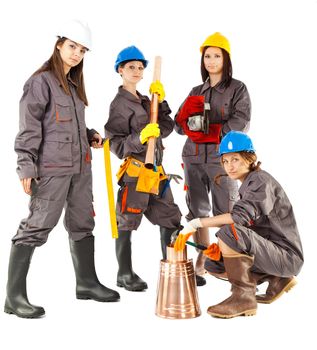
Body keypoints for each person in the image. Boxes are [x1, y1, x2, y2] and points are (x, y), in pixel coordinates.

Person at [4, 20, 120, 319]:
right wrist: (25, 167)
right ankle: (14, 297)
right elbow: (29, 129)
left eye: (82, 50)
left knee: (83, 223)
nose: (76, 54)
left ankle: (87, 283)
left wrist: (90, 134)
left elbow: (68, 125)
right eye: (72, 46)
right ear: (59, 44)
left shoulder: (72, 84)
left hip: (80, 168)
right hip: (52, 168)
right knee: (37, 226)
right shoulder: (40, 82)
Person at [174, 131, 304, 318]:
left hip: (286, 256)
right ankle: (277, 279)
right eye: (225, 161)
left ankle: (243, 298)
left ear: (249, 158)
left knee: (229, 232)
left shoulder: (260, 181)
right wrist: (222, 251)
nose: (229, 166)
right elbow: (248, 229)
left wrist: (196, 223)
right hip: (273, 253)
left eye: (235, 159)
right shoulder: (248, 184)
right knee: (215, 264)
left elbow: (238, 219)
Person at [174, 32, 251, 286]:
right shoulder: (196, 90)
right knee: (197, 209)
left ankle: (228, 259)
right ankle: (204, 258)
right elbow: (178, 124)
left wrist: (212, 130)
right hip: (193, 157)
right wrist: (186, 120)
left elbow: (241, 122)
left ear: (225, 58)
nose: (211, 60)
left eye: (216, 55)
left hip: (222, 160)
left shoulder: (237, 88)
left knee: (225, 209)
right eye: (207, 56)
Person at [104, 46, 182, 292]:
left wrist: (163, 101)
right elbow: (115, 145)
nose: (137, 71)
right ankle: (124, 274)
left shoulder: (148, 100)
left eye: (140, 67)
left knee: (170, 218)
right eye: (131, 67)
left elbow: (167, 128)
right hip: (135, 174)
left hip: (156, 172)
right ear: (120, 70)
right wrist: (140, 137)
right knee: (127, 221)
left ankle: (173, 268)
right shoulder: (119, 105)